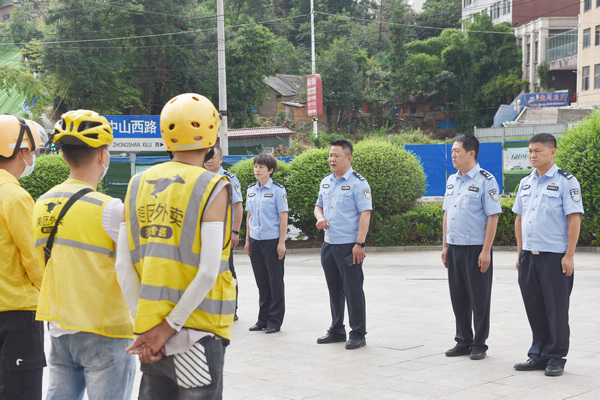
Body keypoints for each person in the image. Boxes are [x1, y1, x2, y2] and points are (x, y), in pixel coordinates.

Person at [119, 93, 236, 399]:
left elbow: (122, 265)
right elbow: (209, 272)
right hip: (195, 335)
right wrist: (166, 329)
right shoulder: (212, 185)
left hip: (151, 338)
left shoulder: (137, 183)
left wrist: (146, 332)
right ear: (212, 134)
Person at [32, 110, 136, 399]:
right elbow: (131, 267)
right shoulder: (110, 208)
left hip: (60, 329)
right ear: (104, 156)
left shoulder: (40, 203)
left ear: (64, 157)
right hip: (106, 331)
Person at [512, 133, 583, 377]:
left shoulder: (566, 182)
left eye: (538, 151)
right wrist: (520, 252)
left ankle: (556, 357)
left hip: (554, 257)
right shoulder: (525, 182)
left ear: (552, 152)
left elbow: (574, 219)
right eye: (530, 151)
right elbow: (519, 219)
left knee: (556, 309)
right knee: (534, 307)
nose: (532, 155)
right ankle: (538, 354)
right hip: (529, 257)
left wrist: (569, 255)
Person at [441, 134, 501, 361]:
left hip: (476, 249)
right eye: (452, 151)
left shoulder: (487, 180)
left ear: (471, 153)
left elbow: (493, 218)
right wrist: (445, 245)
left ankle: (479, 343)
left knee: (479, 299)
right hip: (455, 247)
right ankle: (463, 340)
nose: (453, 155)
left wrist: (486, 251)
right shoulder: (451, 180)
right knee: (458, 297)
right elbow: (447, 214)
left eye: (457, 151)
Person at [0, 115, 45, 400]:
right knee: (21, 391)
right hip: (18, 313)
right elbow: (34, 259)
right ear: (22, 151)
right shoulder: (15, 197)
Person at [314, 139, 372, 350]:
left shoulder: (359, 183)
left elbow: (365, 214)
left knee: (353, 289)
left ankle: (358, 333)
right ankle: (337, 329)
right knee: (334, 289)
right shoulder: (326, 181)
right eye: (330, 155)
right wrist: (319, 217)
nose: (332, 159)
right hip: (329, 244)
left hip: (349, 245)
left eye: (336, 156)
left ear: (348, 158)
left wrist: (360, 243)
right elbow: (318, 206)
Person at [244, 154, 288, 334]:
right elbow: (249, 216)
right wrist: (247, 240)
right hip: (255, 240)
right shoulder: (251, 190)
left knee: (274, 281)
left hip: (272, 241)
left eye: (261, 167)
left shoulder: (278, 190)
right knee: (261, 282)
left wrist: (281, 242)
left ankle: (274, 320)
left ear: (270, 170)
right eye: (255, 166)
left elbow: (283, 217)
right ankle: (262, 319)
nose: (257, 170)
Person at [204, 144, 243, 320]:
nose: (209, 160)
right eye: (207, 157)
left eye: (212, 157)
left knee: (227, 270)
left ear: (221, 159)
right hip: (204, 233)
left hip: (224, 233)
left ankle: (231, 308)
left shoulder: (228, 179)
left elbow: (238, 206)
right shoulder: (200, 177)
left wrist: (235, 231)